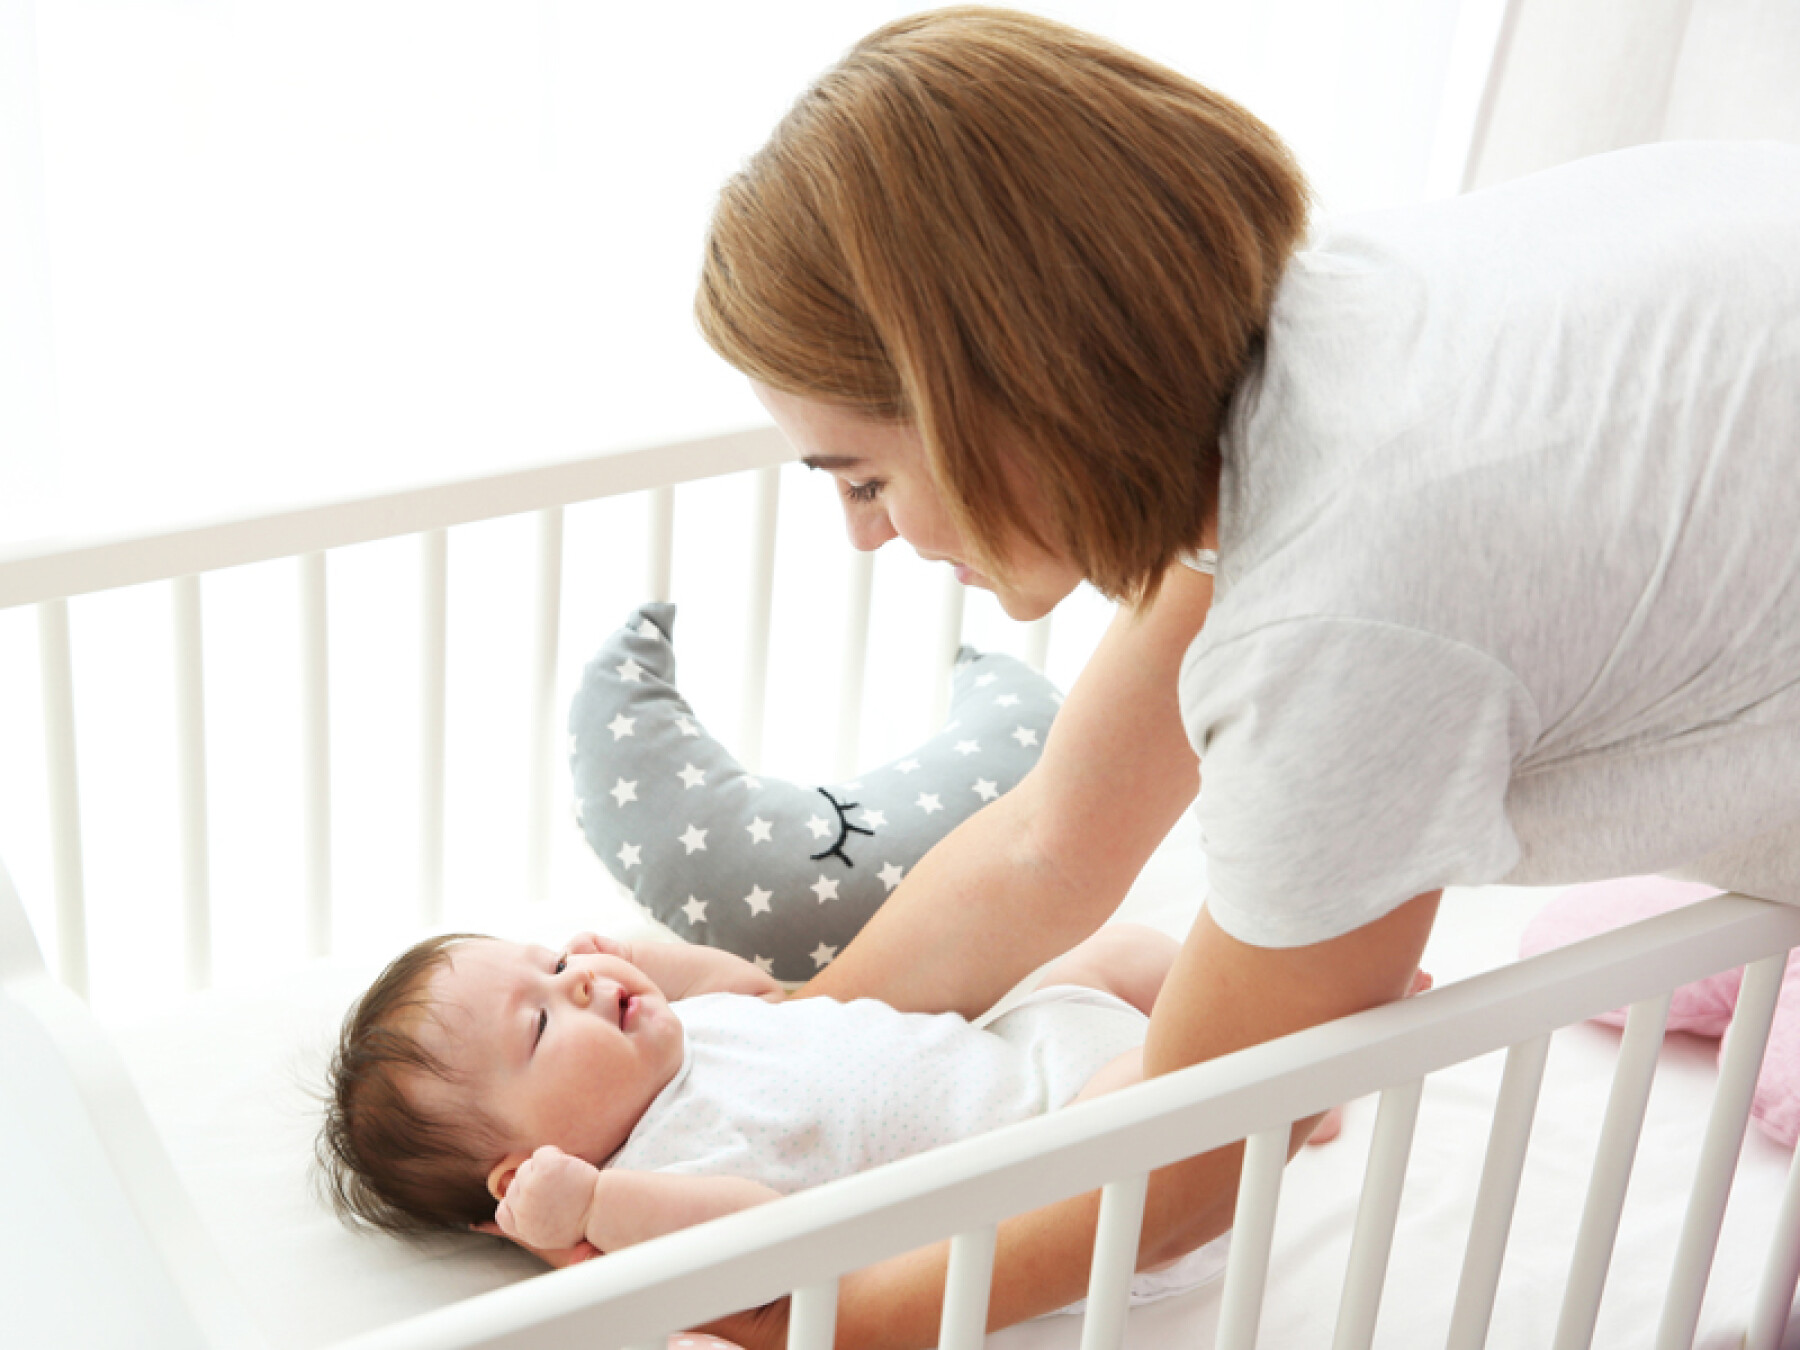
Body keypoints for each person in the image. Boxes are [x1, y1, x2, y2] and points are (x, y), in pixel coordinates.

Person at [690, 6, 1800, 1346]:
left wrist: (833, 1317)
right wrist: (784, 1038)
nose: (865, 536)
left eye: (866, 478)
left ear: (1009, 396)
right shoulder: (1329, 339)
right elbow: (1051, 844)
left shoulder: (1348, 600)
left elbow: (1192, 1158)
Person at [317, 919, 1316, 1285]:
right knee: (1154, 1095)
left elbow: (768, 998)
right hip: (1061, 1171)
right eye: (538, 1023)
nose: (576, 980)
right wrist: (590, 1207)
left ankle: (1291, 1050)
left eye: (550, 962)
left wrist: (662, 961)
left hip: (1023, 1050)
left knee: (1120, 952)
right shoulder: (650, 1176)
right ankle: (1302, 1085)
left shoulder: (682, 1032)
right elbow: (763, 1230)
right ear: (523, 1171)